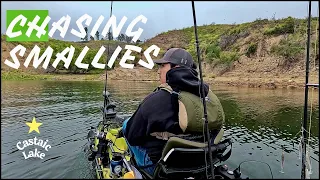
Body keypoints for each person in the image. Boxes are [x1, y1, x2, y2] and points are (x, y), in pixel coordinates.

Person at [121, 48, 225, 176]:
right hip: (201, 163)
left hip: (161, 169)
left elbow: (132, 136)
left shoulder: (155, 100)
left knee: (126, 125)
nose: (158, 71)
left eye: (163, 66)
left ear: (175, 67)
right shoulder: (207, 96)